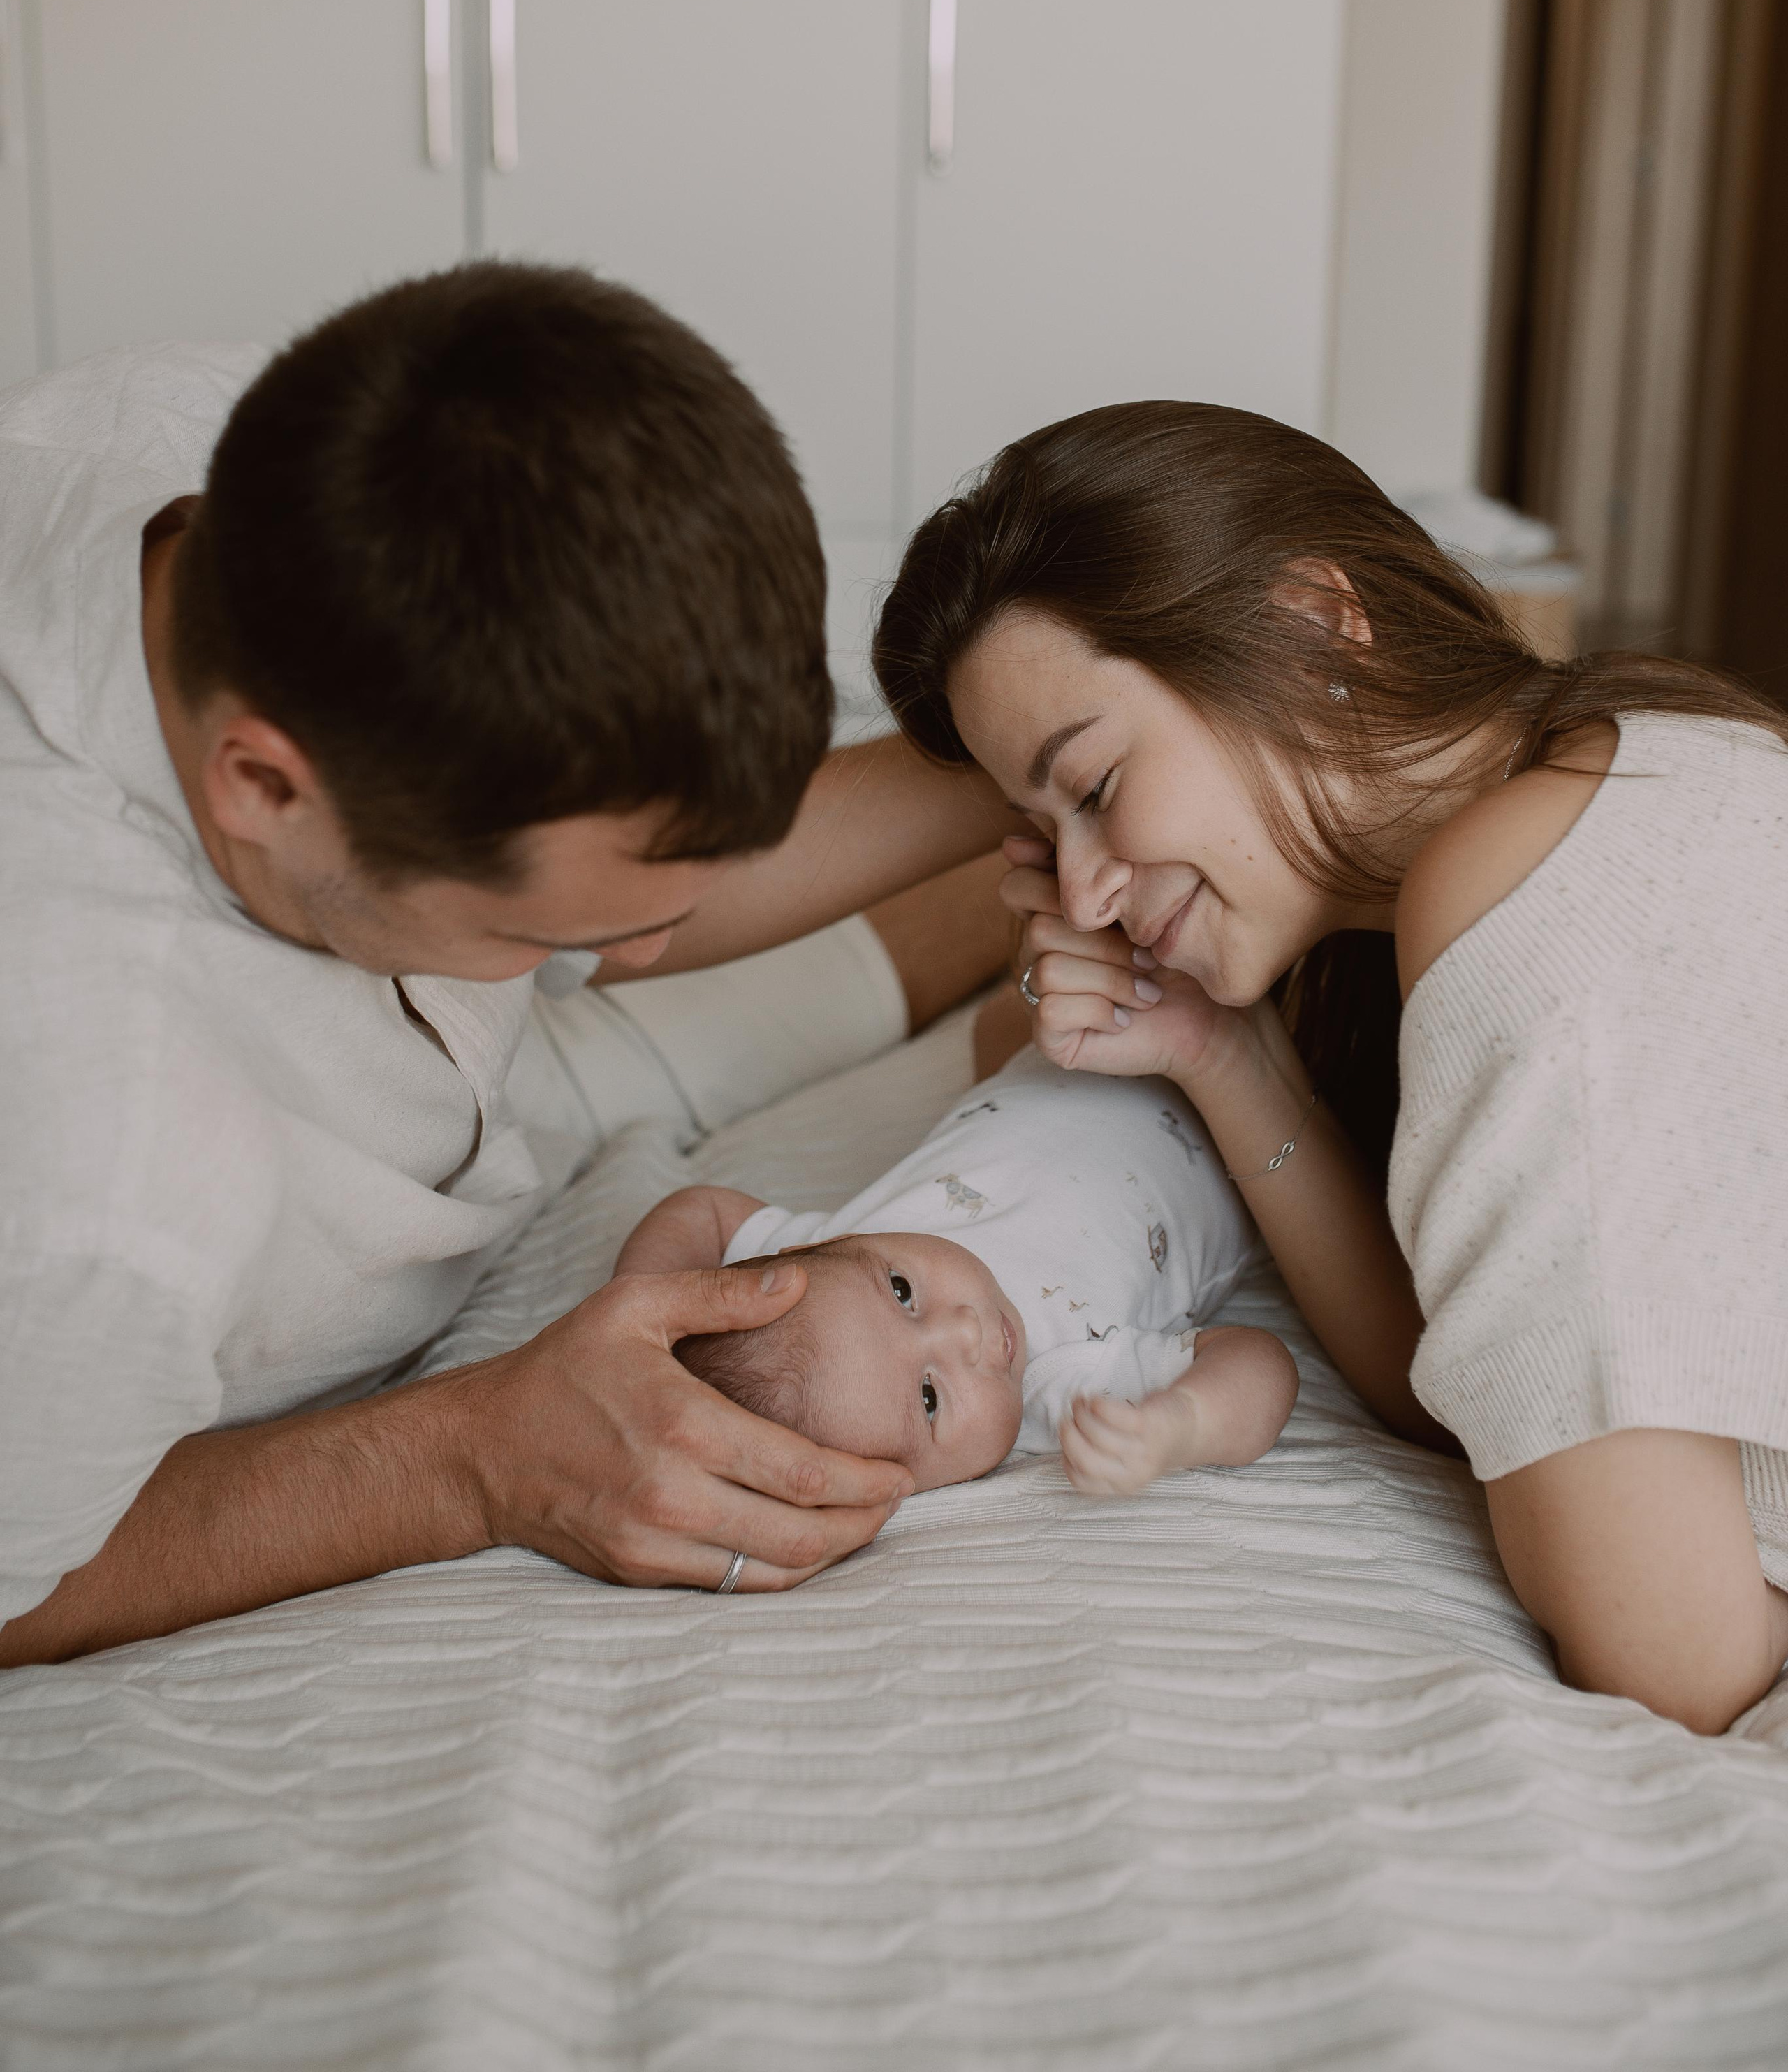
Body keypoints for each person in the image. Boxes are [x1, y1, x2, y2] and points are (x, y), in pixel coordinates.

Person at [0, 263, 1011, 1667]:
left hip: (450, 1076)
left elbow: (639, 886)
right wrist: (475, 1454)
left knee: (1035, 845)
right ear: (266, 787)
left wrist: (1042, 751)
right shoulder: (100, 1176)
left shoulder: (301, 440)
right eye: (556, 930)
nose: (649, 952)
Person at [872, 398, 1788, 1736]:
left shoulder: (1518, 897)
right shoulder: (1624, 761)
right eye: (1038, 827)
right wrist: (1219, 1052)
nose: (1083, 883)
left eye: (1099, 782)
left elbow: (1676, 1656)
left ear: (1315, 619)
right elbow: (1470, 1370)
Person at [614, 1048, 1293, 1494]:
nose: (964, 1332)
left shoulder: (829, 1251)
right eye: (930, 1399)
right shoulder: (1063, 1380)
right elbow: (1259, 1361)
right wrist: (1180, 1426)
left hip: (1073, 1043)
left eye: (903, 1292)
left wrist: (632, 1329)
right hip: (1253, 1125)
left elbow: (699, 1212)